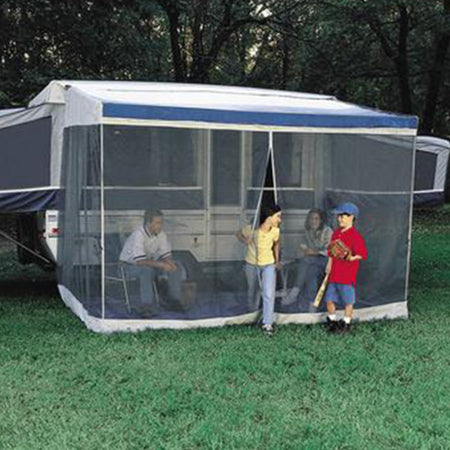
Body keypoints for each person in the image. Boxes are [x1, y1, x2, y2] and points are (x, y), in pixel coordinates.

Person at [119, 210, 183, 313]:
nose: (161, 225)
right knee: (147, 270)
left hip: (149, 264)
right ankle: (146, 306)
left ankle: (174, 301)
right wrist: (162, 264)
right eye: (157, 223)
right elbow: (140, 261)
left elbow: (166, 254)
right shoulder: (139, 234)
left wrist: (170, 263)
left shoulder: (161, 234)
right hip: (128, 267)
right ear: (148, 223)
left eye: (162, 222)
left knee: (176, 266)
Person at [236, 204, 282, 336]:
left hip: (268, 265)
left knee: (268, 293)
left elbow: (277, 243)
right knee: (252, 289)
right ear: (269, 217)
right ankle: (252, 314)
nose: (279, 219)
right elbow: (238, 234)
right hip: (252, 264)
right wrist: (246, 240)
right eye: (278, 216)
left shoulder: (275, 231)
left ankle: (267, 323)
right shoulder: (252, 229)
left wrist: (277, 260)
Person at [324, 202, 367, 334]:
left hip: (347, 275)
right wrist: (329, 264)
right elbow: (331, 252)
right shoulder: (336, 234)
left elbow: (362, 254)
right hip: (334, 274)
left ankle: (346, 323)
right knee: (329, 299)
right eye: (339, 216)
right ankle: (332, 322)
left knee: (348, 301)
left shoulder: (355, 236)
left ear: (352, 217)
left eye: (343, 216)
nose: (340, 219)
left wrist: (351, 257)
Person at [284, 208, 332, 309]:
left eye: (316, 219)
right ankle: (312, 304)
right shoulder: (308, 232)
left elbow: (329, 251)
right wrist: (304, 250)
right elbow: (304, 248)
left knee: (306, 260)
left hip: (327, 262)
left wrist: (313, 252)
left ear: (321, 220)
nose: (313, 221)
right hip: (313, 262)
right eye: (311, 219)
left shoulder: (327, 231)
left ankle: (295, 291)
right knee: (311, 272)